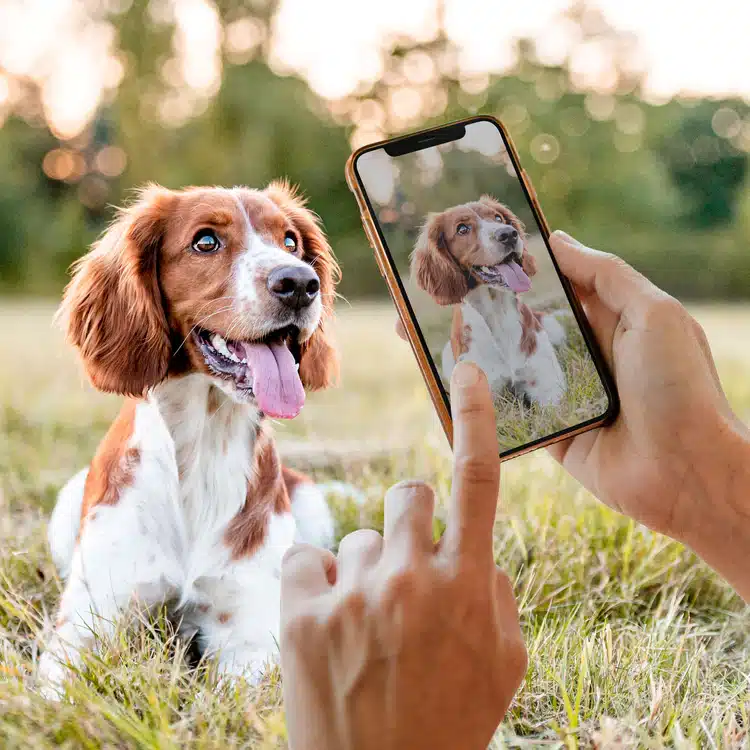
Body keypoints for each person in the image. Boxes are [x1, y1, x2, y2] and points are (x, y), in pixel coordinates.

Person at [279, 231, 750, 750]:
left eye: (501, 221)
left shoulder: (532, 322)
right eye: (466, 229)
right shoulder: (461, 328)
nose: (498, 231)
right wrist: (707, 484)